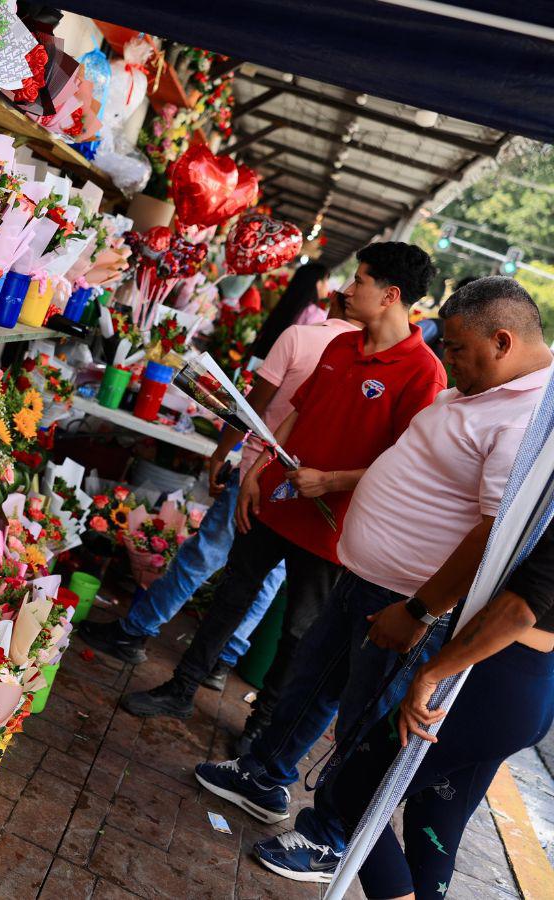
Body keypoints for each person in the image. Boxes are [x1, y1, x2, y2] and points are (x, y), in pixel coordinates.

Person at [192, 277, 553, 881]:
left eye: (457, 349)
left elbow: (490, 535)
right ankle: (264, 775)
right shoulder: (484, 389)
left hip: (408, 600)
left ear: (502, 341)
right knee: (314, 681)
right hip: (368, 577)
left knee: (365, 724)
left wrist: (419, 611)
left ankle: (330, 837)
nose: (448, 360)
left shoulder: (527, 418)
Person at [120, 243, 445, 736]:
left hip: (333, 528)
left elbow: (403, 464)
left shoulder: (423, 372)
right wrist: (257, 470)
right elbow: (297, 413)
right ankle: (182, 688)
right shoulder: (340, 345)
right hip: (275, 501)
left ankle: (260, 726)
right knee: (231, 596)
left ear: (390, 295)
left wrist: (329, 482)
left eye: (359, 280)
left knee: (299, 631)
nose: (346, 289)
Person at [79, 292, 361, 699]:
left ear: (336, 302)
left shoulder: (301, 337)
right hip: (298, 488)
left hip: (256, 475)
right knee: (269, 580)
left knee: (204, 555)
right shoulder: (357, 359)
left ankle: (136, 631)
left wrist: (219, 453)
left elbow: (251, 408)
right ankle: (223, 660)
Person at [332, 517, 554, 900]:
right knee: (434, 823)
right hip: (527, 684)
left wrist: (432, 674)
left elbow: (520, 608)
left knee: (356, 791)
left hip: (488, 680)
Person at [248, 262, 331, 361]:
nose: (328, 286)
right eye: (327, 281)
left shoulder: (287, 305)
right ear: (318, 284)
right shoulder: (317, 315)